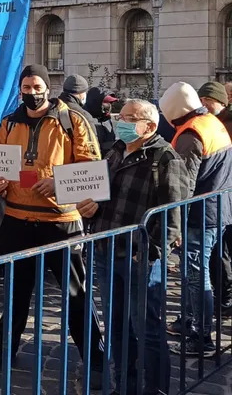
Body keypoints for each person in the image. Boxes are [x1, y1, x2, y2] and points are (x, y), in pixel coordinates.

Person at [0, 65, 104, 388]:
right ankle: (3, 347)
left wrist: (59, 184)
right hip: (17, 220)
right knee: (16, 292)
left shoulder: (72, 120)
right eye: (26, 86)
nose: (31, 92)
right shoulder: (8, 123)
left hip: (61, 223)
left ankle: (95, 356)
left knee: (76, 293)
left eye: (36, 86)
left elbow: (91, 168)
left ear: (48, 87)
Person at [78, 99, 188, 393]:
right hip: (105, 250)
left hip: (140, 258)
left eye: (129, 118)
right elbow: (100, 193)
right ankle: (124, 386)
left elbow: (173, 215)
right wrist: (89, 208)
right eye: (120, 116)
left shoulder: (166, 159)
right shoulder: (114, 151)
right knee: (116, 327)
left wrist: (150, 252)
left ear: (149, 126)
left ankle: (155, 389)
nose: (120, 121)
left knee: (147, 329)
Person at [160, 82, 232, 356]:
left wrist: (175, 225)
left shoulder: (191, 134)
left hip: (201, 215)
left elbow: (183, 185)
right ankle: (188, 323)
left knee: (195, 275)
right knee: (197, 272)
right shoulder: (210, 122)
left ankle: (201, 336)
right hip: (217, 209)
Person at [198, 81, 232, 314]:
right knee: (221, 251)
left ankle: (224, 297)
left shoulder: (222, 124)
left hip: (220, 197)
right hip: (221, 197)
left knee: (221, 252)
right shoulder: (215, 123)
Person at [84, 88, 118, 156]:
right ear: (95, 102)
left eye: (110, 103)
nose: (109, 105)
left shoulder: (106, 118)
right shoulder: (84, 119)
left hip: (109, 157)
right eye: (106, 102)